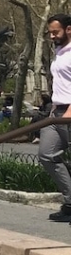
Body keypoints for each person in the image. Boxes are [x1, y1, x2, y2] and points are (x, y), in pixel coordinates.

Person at [40, 14, 71, 222]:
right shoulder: (59, 52)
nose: (52, 36)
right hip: (56, 112)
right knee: (46, 154)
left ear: (69, 29)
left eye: (55, 32)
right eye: (50, 32)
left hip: (69, 112)